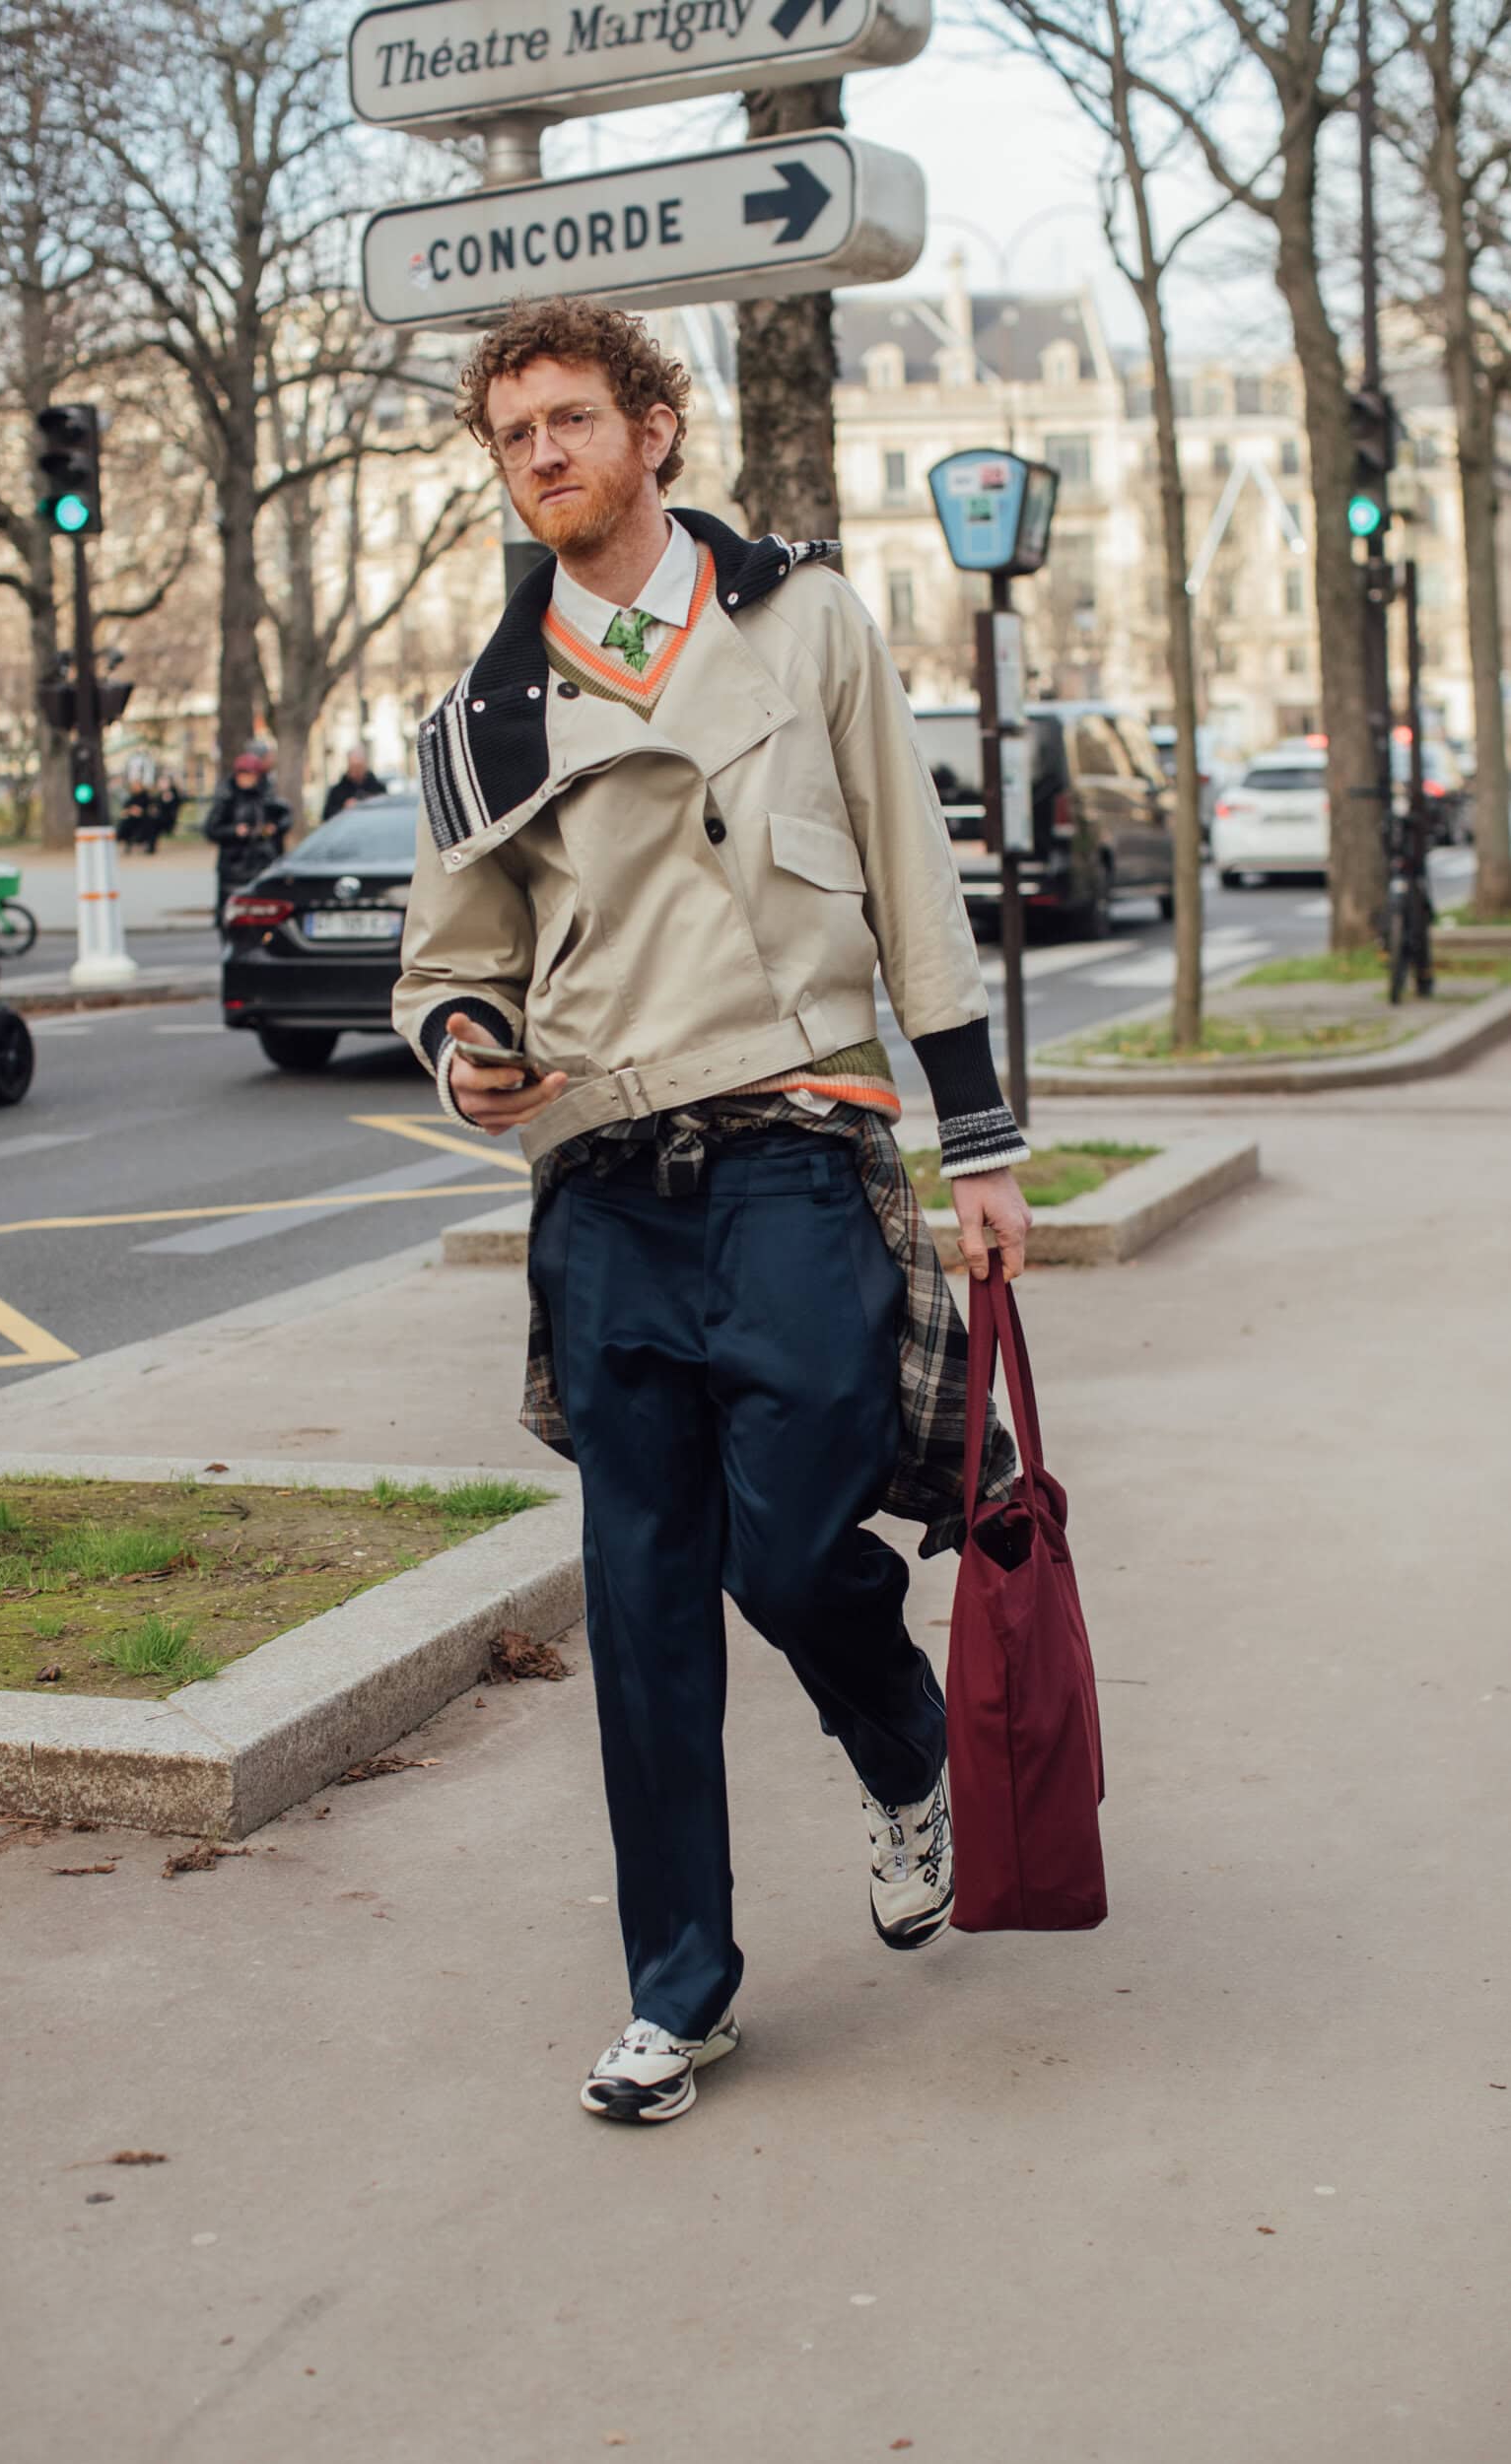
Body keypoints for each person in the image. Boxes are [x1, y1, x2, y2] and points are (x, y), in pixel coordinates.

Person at [394, 295, 1033, 2127]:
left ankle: (902, 1747)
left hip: (793, 1139)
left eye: (572, 420)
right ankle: (677, 1990)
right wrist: (465, 1048)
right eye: (512, 434)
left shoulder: (797, 617)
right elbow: (454, 963)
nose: (541, 457)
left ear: (654, 429)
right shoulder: (481, 713)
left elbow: (911, 874)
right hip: (602, 1172)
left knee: (785, 1535)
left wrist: (976, 1142)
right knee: (643, 1590)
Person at [204, 751, 290, 916]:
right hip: (234, 865)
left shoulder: (267, 795)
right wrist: (234, 831)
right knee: (232, 913)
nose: (245, 779)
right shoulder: (227, 797)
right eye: (242, 774)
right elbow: (211, 829)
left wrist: (273, 828)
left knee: (262, 913)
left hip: (262, 861)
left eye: (249, 774)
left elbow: (286, 817)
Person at [322, 745, 387, 820]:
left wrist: (373, 802)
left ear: (365, 765)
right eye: (353, 767)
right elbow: (326, 817)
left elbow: (387, 813)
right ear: (348, 766)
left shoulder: (379, 788)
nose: (356, 771)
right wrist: (344, 808)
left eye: (359, 766)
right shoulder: (336, 792)